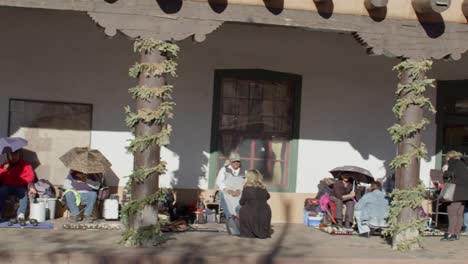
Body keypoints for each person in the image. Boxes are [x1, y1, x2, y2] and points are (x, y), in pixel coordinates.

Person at [0, 150, 36, 221]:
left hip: (20, 186)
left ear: (19, 155)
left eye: (16, 155)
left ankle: (21, 214)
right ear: (9, 156)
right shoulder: (5, 164)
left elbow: (30, 176)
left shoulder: (25, 164)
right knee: (1, 192)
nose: (14, 157)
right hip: (7, 186)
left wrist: (30, 186)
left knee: (23, 193)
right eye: (12, 155)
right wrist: (4, 169)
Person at [441, 151, 468, 241]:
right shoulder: (464, 163)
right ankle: (457, 234)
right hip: (465, 192)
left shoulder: (452, 162)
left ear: (449, 157)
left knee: (452, 212)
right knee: (459, 214)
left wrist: (444, 172)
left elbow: (449, 175)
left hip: (456, 192)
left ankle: (450, 234)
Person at [239, 169, 272, 239]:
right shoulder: (263, 188)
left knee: (239, 209)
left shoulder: (247, 188)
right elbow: (268, 196)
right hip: (265, 213)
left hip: (252, 214)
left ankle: (247, 230)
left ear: (249, 178)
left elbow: (241, 202)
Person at [216, 152, 245, 218]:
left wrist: (240, 190)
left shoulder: (243, 171)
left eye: (238, 161)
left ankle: (240, 216)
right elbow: (219, 182)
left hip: (239, 192)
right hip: (227, 191)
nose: (236, 163)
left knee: (242, 198)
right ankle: (231, 216)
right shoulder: (224, 169)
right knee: (227, 198)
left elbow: (245, 183)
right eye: (234, 161)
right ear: (231, 162)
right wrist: (227, 190)